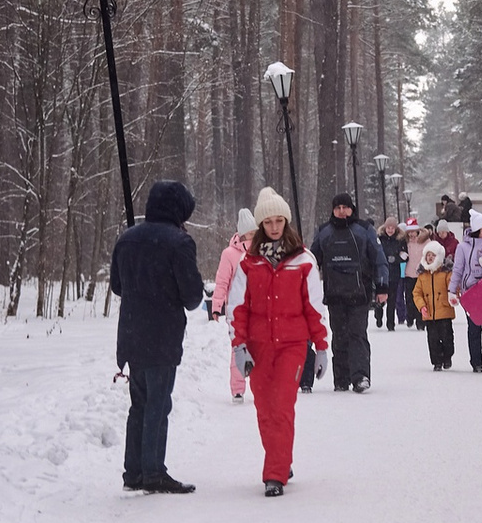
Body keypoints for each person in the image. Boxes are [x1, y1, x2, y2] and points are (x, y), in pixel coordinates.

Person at [228, 188, 330, 497]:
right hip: (259, 345)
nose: (274, 227)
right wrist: (238, 345)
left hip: (292, 345)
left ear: (286, 222)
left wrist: (322, 346)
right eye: (268, 222)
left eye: (279, 221)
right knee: (264, 408)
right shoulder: (249, 263)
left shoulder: (303, 260)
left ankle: (274, 473)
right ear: (260, 226)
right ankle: (280, 459)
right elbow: (238, 307)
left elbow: (314, 305)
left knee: (282, 405)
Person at [111, 180, 205, 494]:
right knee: (158, 404)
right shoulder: (179, 242)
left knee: (139, 404)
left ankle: (133, 472)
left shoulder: (127, 239)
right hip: (162, 335)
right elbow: (192, 297)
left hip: (132, 334)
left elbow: (117, 286)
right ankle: (153, 472)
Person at [310, 192, 388, 393]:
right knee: (339, 336)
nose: (341, 211)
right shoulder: (324, 232)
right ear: (333, 210)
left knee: (357, 334)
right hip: (335, 295)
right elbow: (310, 263)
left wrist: (382, 287)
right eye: (337, 208)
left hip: (359, 294)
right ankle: (341, 379)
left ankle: (360, 376)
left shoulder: (364, 230)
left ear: (352, 209)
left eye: (345, 207)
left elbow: (379, 259)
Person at [449, 208, 482, 373]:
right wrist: (452, 290)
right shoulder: (463, 247)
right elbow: (458, 269)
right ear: (477, 229)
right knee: (474, 328)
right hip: (471, 293)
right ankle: (476, 362)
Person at [211, 208, 256, 403]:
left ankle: (260, 386)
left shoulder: (262, 251)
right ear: (242, 233)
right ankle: (238, 389)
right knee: (238, 347)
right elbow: (222, 281)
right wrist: (216, 305)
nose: (253, 237)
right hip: (236, 310)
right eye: (250, 233)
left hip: (259, 309)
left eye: (255, 232)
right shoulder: (229, 254)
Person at [412, 240, 455, 371]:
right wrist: (421, 306)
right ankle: (436, 361)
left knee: (447, 338)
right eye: (428, 255)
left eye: (433, 255)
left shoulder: (446, 273)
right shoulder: (422, 275)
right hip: (429, 313)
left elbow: (453, 287)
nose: (430, 258)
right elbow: (417, 293)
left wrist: (452, 296)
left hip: (444, 311)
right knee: (432, 339)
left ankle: (447, 356)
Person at [376, 217, 407, 331]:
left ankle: (390, 323)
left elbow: (405, 256)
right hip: (381, 273)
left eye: (392, 228)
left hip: (394, 273)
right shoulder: (379, 239)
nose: (390, 230)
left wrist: (396, 258)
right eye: (388, 227)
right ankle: (378, 315)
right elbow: (375, 253)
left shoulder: (400, 240)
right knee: (380, 298)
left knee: (392, 299)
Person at [404, 222, 433, 330]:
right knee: (409, 297)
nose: (411, 234)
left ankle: (421, 320)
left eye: (413, 232)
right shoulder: (406, 242)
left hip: (421, 273)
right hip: (409, 273)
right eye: (409, 232)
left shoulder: (426, 242)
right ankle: (410, 317)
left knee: (421, 297)